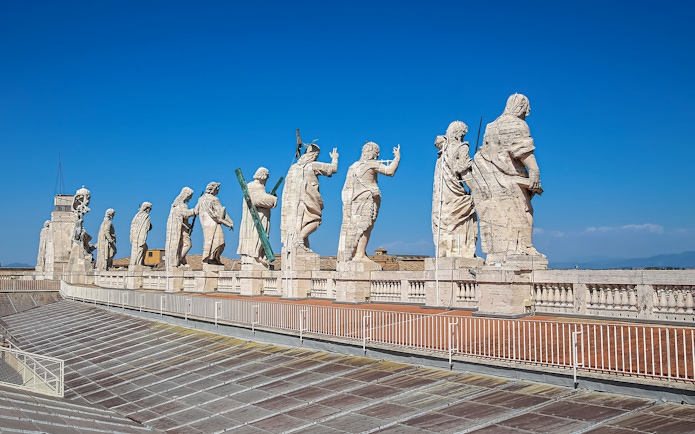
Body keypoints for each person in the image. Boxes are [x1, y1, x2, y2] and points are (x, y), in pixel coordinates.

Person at [470, 93, 544, 261]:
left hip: (491, 180)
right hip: (512, 179)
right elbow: (521, 150)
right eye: (526, 108)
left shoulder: (490, 127)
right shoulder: (517, 124)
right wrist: (535, 171)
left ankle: (499, 253)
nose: (528, 112)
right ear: (520, 107)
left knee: (497, 217)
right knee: (524, 211)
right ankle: (525, 247)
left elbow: (485, 153)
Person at [337, 142, 400, 266]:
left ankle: (358, 253)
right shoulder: (372, 164)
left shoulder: (353, 166)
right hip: (367, 199)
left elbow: (346, 189)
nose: (376, 156)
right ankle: (359, 255)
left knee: (356, 227)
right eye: (376, 153)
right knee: (366, 226)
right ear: (371, 152)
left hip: (353, 202)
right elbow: (389, 171)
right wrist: (397, 158)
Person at [281, 145, 339, 252]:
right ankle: (299, 239)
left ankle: (301, 246)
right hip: (308, 199)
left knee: (302, 224)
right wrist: (335, 158)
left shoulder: (293, 168)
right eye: (316, 155)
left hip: (294, 203)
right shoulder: (312, 165)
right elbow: (333, 169)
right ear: (314, 155)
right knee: (316, 220)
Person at [432, 121, 478, 258]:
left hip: (442, 194)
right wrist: (476, 189)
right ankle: (462, 252)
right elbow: (462, 170)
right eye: (463, 134)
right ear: (460, 134)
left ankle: (446, 252)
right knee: (465, 213)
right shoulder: (461, 147)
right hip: (455, 193)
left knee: (445, 221)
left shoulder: (442, 151)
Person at [237, 167, 278, 265]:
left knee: (263, 235)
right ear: (263, 176)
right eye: (267, 177)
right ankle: (255, 256)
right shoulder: (254, 186)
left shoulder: (257, 186)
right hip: (256, 218)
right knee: (258, 235)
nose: (267, 180)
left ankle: (259, 255)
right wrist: (273, 199)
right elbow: (258, 200)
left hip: (261, 216)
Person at [197, 182, 233, 265]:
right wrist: (230, 222)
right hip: (213, 223)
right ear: (213, 189)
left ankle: (210, 258)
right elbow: (220, 211)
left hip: (205, 223)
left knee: (208, 240)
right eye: (217, 188)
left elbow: (195, 211)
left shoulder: (201, 199)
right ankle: (213, 259)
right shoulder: (214, 199)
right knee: (220, 241)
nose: (218, 190)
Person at [165, 187, 198, 268]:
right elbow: (185, 214)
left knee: (182, 244)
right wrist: (195, 210)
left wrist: (188, 225)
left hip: (183, 229)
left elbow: (182, 218)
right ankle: (179, 259)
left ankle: (180, 259)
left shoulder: (175, 206)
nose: (190, 198)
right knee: (188, 244)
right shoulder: (181, 205)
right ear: (186, 195)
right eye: (190, 196)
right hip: (181, 230)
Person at [129, 202, 152, 267]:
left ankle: (136, 263)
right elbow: (146, 228)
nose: (150, 211)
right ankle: (138, 264)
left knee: (140, 249)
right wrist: (143, 239)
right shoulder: (146, 216)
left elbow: (132, 226)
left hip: (134, 236)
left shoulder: (136, 216)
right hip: (140, 237)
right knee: (141, 248)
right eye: (150, 209)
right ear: (147, 208)